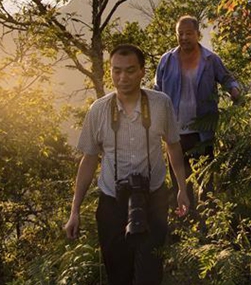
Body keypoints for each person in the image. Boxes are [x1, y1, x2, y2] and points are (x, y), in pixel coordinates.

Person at [64, 44, 190, 285]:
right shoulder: (99, 110)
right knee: (118, 274)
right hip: (112, 203)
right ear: (110, 71)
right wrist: (74, 211)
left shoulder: (160, 104)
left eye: (130, 70)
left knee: (150, 274)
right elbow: (89, 159)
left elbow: (173, 146)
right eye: (117, 70)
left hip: (153, 199)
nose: (122, 78)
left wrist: (181, 189)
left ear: (142, 71)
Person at [154, 16, 240, 200]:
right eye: (180, 33)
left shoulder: (210, 60)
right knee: (179, 183)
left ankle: (208, 214)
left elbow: (227, 79)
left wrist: (234, 91)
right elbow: (157, 92)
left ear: (198, 34)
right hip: (174, 133)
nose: (184, 37)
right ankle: (186, 213)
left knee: (205, 182)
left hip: (202, 133)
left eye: (188, 33)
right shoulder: (166, 61)